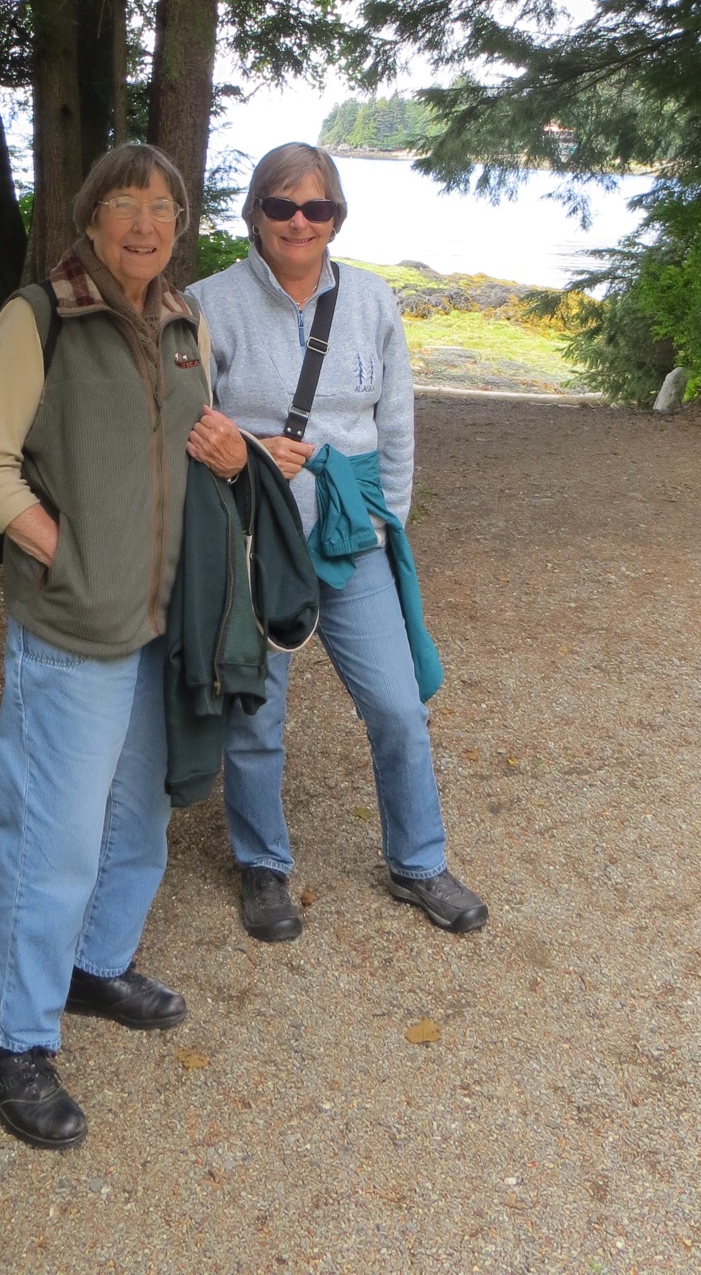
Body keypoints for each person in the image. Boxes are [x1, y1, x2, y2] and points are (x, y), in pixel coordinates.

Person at [0, 142, 247, 1150]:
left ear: (180, 226)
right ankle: (11, 1044)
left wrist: (233, 454)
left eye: (163, 207)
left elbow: (194, 445)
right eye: (125, 203)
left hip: (161, 623)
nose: (145, 223)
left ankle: (94, 963)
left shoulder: (184, 321)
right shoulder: (39, 316)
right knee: (55, 838)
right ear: (90, 218)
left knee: (141, 815)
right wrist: (67, 553)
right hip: (74, 627)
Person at [188, 142, 488, 943]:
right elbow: (184, 423)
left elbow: (396, 423)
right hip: (255, 536)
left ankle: (418, 862)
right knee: (257, 716)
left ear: (336, 217)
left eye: (316, 208)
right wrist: (249, 450)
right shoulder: (207, 304)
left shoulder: (371, 300)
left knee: (397, 705)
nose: (299, 222)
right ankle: (262, 864)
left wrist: (389, 521)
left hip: (351, 533)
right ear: (255, 213)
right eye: (282, 206)